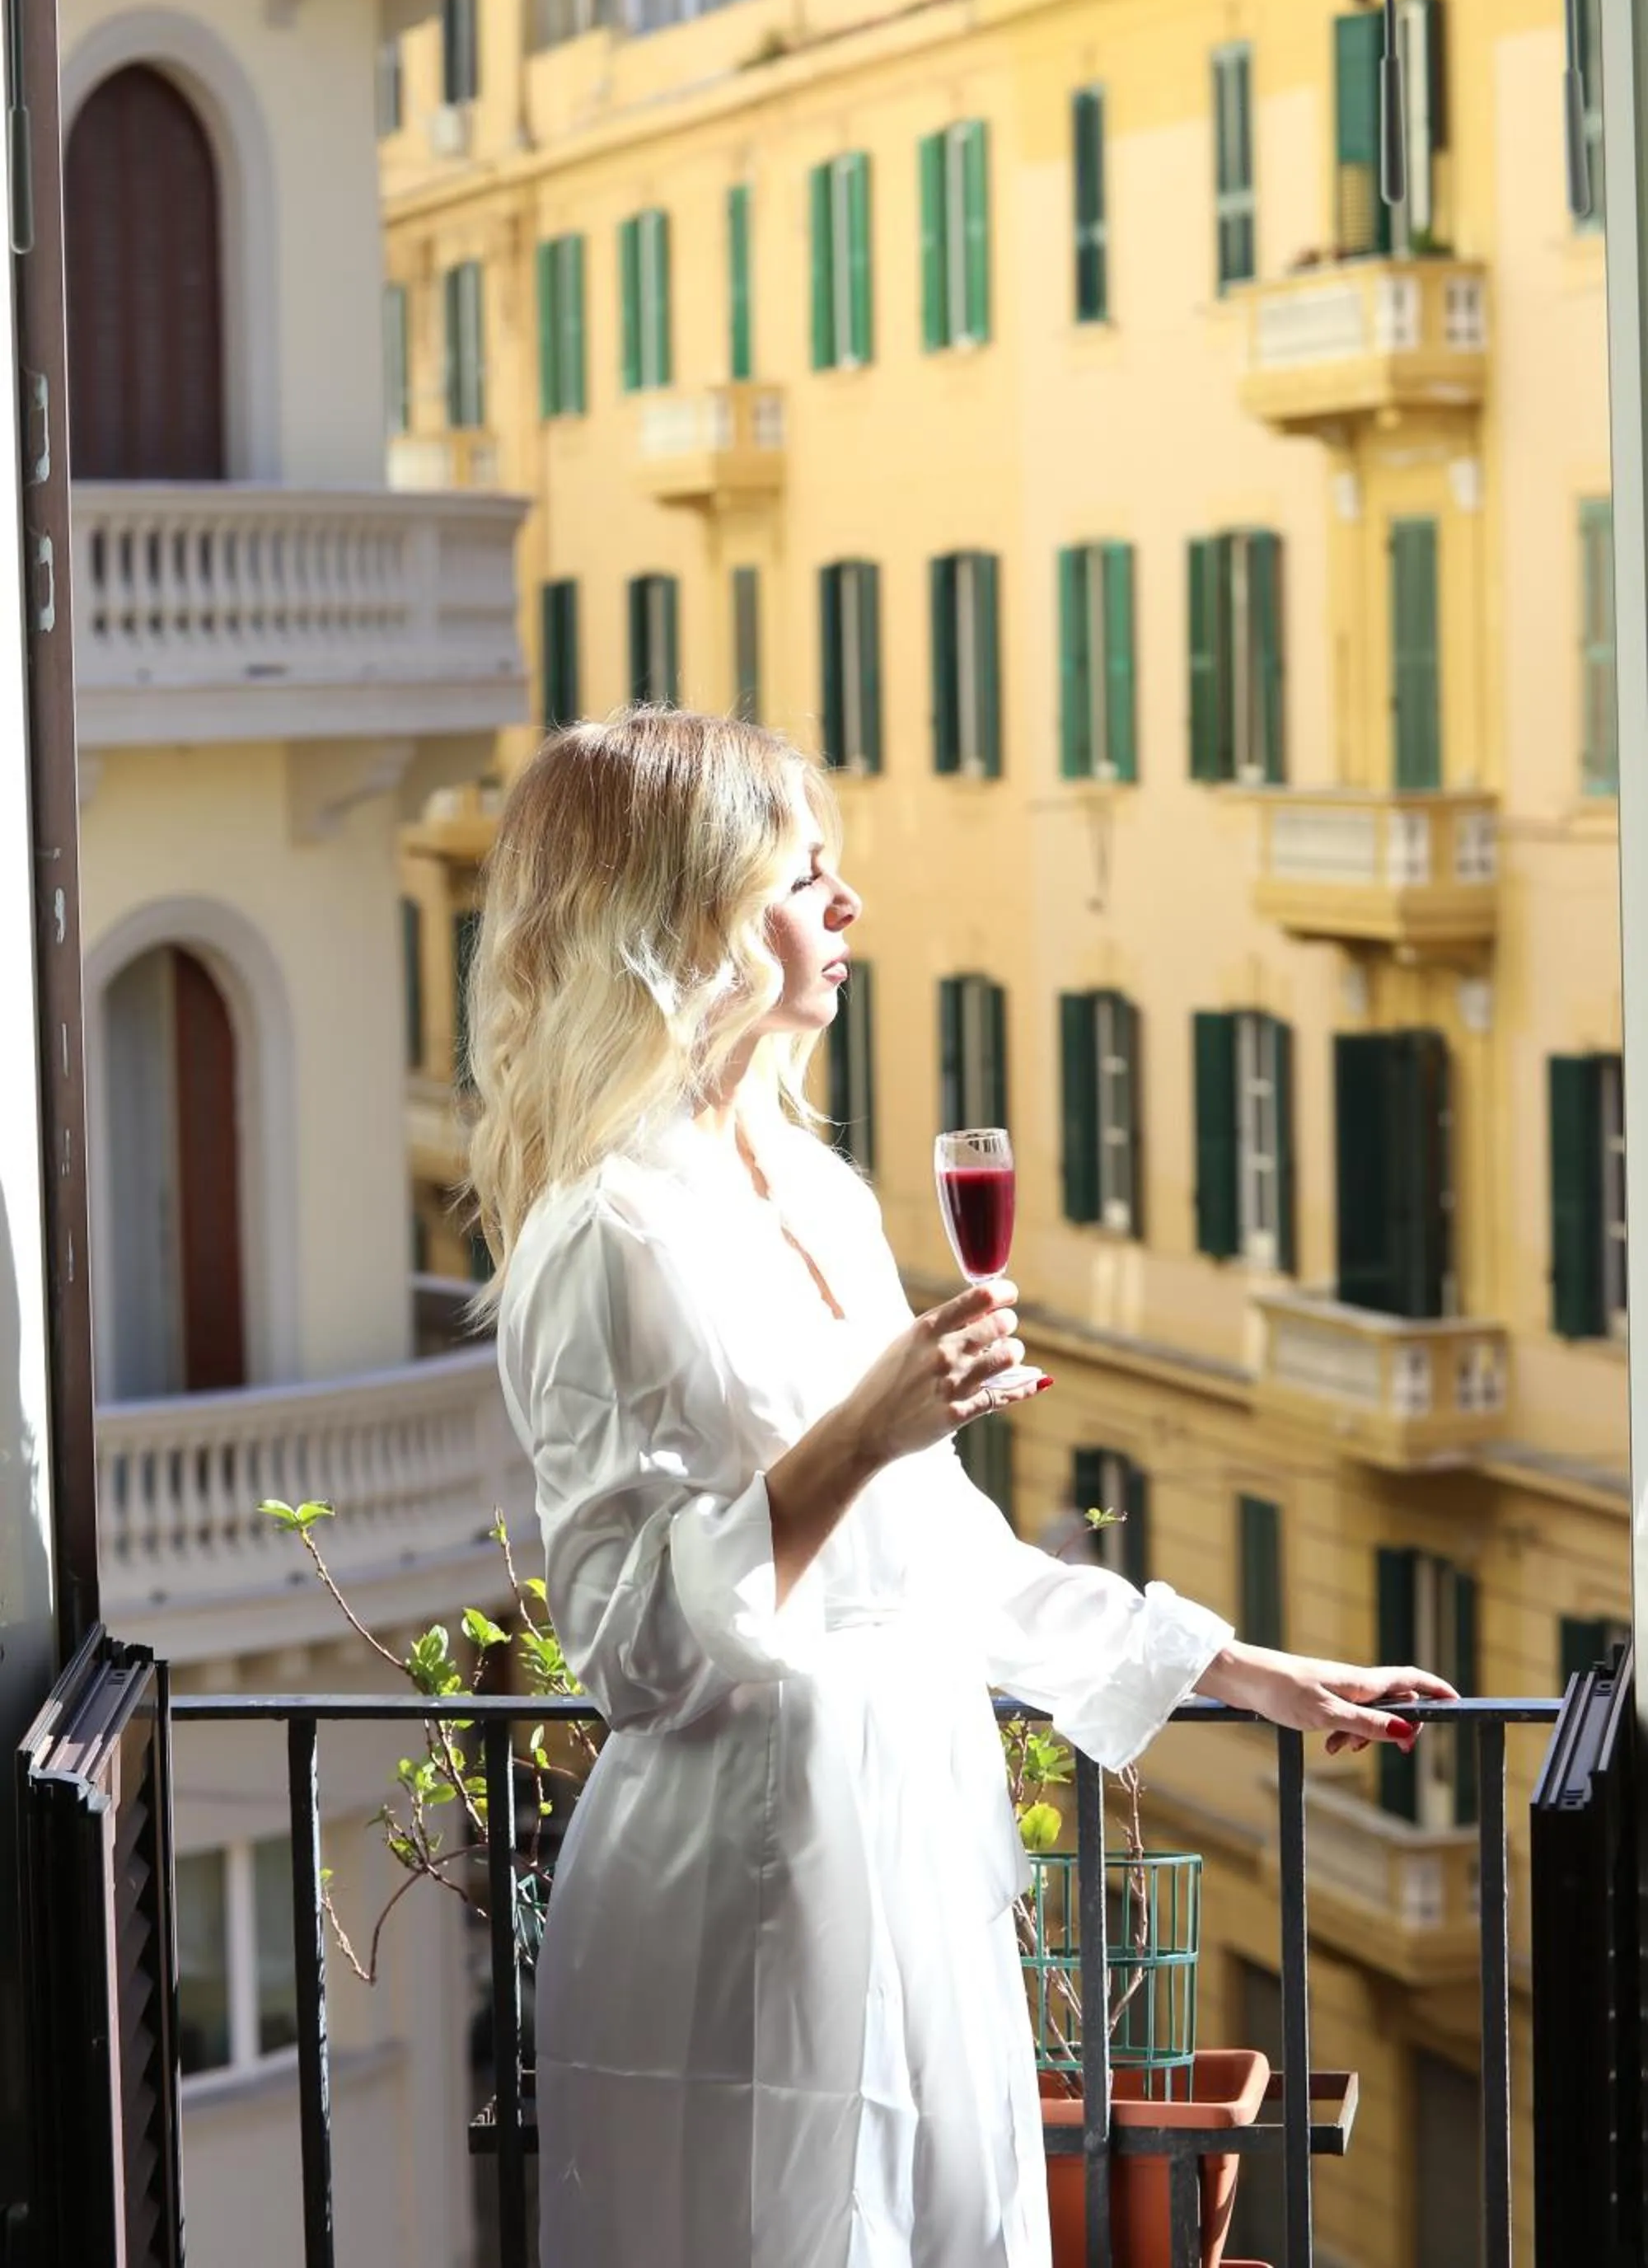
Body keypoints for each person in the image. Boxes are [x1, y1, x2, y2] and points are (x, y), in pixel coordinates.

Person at [469, 708, 1456, 2268]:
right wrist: (862, 1431)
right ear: (684, 921)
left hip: (912, 1866)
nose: (847, 907)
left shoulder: (821, 1194)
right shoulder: (602, 1237)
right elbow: (627, 1650)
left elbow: (949, 1563)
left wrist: (1243, 1670)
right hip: (736, 1902)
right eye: (803, 876)